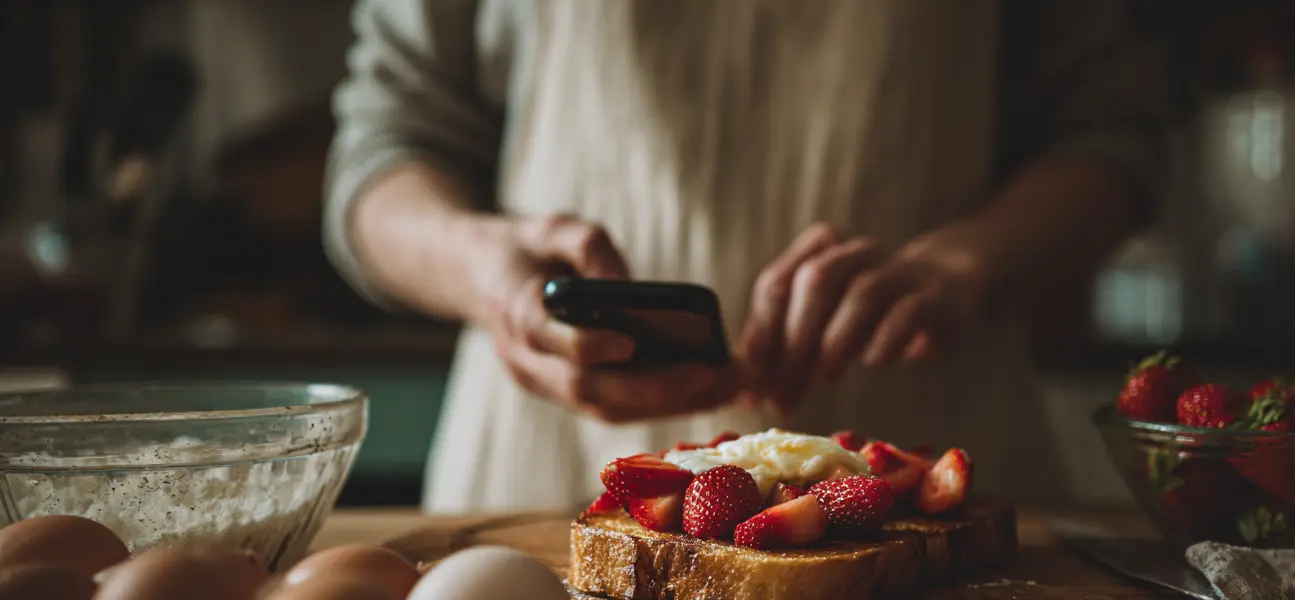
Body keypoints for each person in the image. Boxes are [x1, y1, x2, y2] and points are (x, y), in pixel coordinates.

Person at [324, 0, 1169, 513]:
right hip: (547, 462)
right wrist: (488, 275)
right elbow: (383, 150)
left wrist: (965, 267)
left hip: (930, 444)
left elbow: (1114, 133)